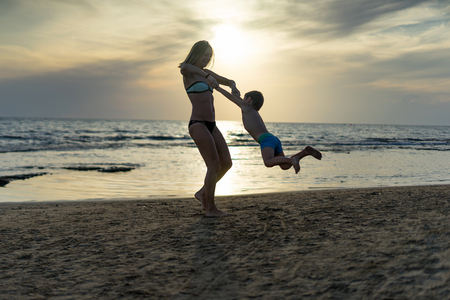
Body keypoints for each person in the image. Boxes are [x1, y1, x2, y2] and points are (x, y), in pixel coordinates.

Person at [179, 40, 240, 217]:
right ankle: (210, 209)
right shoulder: (188, 71)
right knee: (213, 164)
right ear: (196, 53)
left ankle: (201, 193)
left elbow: (229, 81)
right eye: (205, 54)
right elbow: (184, 66)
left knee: (226, 163)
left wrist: (234, 87)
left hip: (212, 125)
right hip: (198, 124)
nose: (207, 58)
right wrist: (206, 78)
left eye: (209, 56)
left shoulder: (207, 73)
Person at [215, 85, 322, 173]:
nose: (241, 100)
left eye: (244, 98)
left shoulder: (246, 108)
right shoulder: (252, 110)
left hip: (266, 140)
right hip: (272, 139)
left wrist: (217, 87)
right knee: (285, 166)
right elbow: (236, 97)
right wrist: (233, 87)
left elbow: (231, 97)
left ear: (248, 100)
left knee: (268, 162)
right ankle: (304, 152)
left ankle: (293, 160)